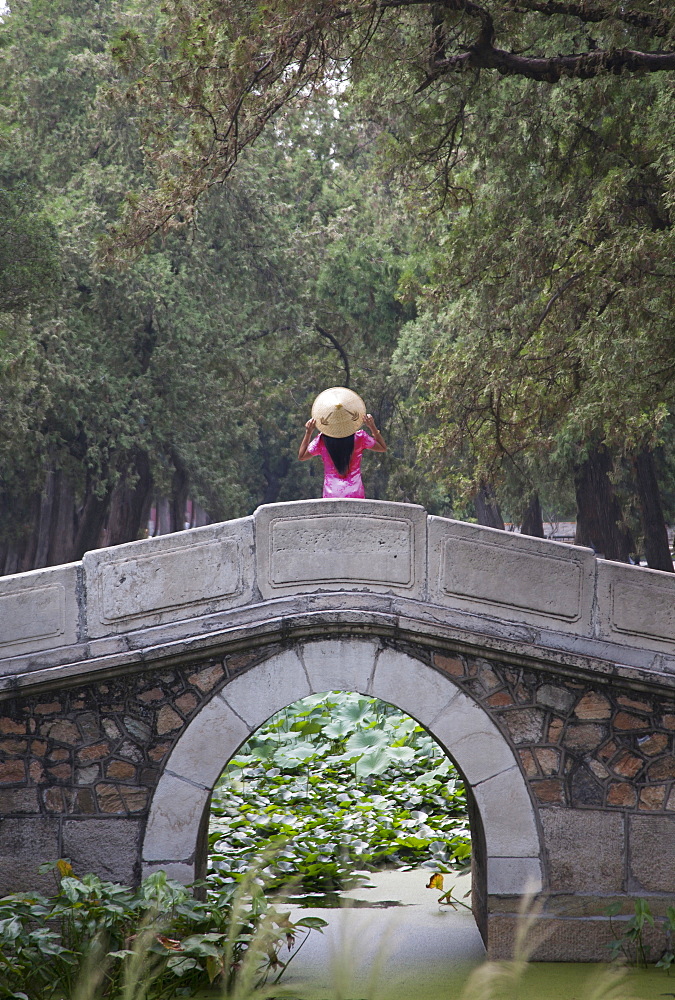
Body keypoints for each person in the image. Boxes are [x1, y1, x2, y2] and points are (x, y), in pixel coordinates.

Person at [298, 386, 386, 499]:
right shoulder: (360, 437)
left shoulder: (321, 440)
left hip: (331, 494)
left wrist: (308, 432)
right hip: (355, 493)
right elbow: (382, 447)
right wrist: (372, 427)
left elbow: (302, 456)